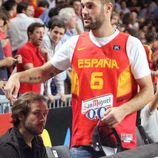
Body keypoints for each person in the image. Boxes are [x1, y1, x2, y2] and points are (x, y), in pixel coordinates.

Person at [4, 0, 153, 157]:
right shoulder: (75, 43)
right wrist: (17, 76)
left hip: (121, 140)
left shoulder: (131, 44)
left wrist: (123, 110)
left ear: (108, 8)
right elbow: (44, 72)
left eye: (90, 6)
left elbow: (148, 90)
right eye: (82, 6)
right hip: (83, 142)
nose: (84, 11)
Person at [0, 92, 49, 158]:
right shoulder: (6, 147)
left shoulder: (37, 140)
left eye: (45, 113)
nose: (43, 119)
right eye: (36, 113)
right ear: (20, 115)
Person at [16, 22, 46, 95]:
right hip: (26, 93)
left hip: (36, 91)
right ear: (30, 34)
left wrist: (47, 55)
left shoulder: (39, 50)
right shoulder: (25, 49)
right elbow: (32, 72)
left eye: (43, 33)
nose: (41, 36)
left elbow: (47, 70)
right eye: (38, 32)